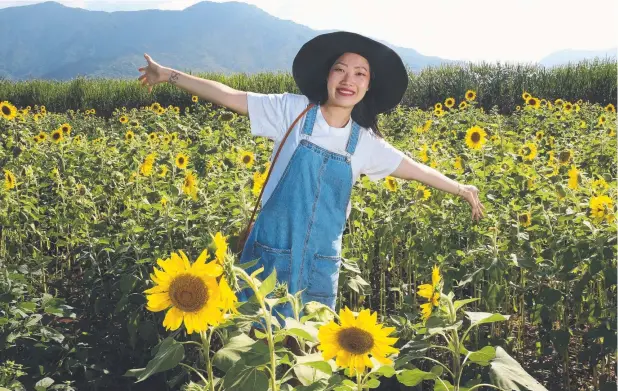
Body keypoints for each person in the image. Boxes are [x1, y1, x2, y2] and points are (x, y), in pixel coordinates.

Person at [137, 31, 486, 320]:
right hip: (269, 255)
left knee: (308, 353)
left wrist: (461, 187)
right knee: (257, 346)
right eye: (340, 69)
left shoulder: (365, 143)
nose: (349, 79)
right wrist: (169, 74)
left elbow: (415, 169)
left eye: (360, 73)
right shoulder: (292, 111)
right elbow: (230, 96)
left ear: (368, 86)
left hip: (320, 264)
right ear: (327, 76)